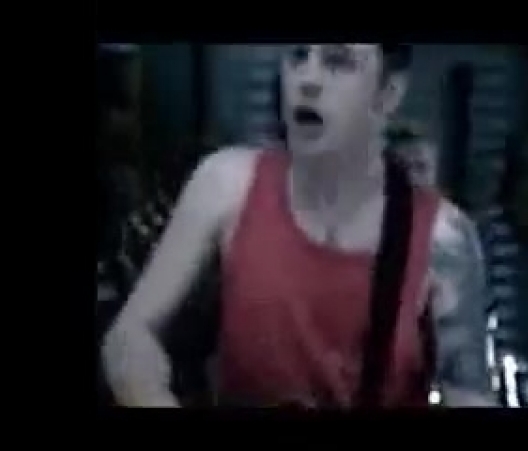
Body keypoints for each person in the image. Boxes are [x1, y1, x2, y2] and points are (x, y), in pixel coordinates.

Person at [102, 44, 496, 407]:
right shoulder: (226, 185)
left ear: (388, 93)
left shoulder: (444, 237)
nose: (307, 80)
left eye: (338, 62)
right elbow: (129, 337)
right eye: (298, 55)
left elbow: (469, 395)